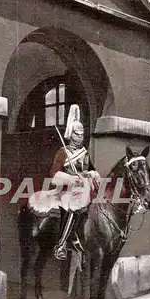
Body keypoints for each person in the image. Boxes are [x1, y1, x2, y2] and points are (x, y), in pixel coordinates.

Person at [50, 105, 100, 261]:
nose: (81, 137)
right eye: (78, 134)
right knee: (73, 208)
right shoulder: (63, 152)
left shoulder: (84, 154)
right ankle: (62, 244)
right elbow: (54, 174)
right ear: (71, 135)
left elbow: (93, 170)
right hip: (66, 190)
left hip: (84, 190)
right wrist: (72, 179)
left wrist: (91, 174)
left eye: (83, 134)